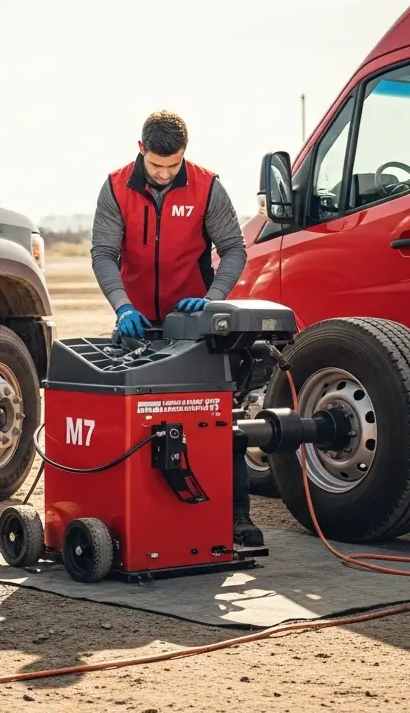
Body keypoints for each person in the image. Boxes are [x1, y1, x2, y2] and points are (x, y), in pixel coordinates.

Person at [89, 110, 262, 548]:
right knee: (131, 424)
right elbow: (103, 254)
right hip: (137, 328)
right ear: (141, 149)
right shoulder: (114, 187)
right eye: (157, 166)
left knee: (217, 420)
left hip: (194, 327)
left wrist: (211, 299)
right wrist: (122, 305)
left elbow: (234, 249)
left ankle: (236, 517)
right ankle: (133, 519)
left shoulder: (208, 186)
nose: (166, 174)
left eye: (174, 165)